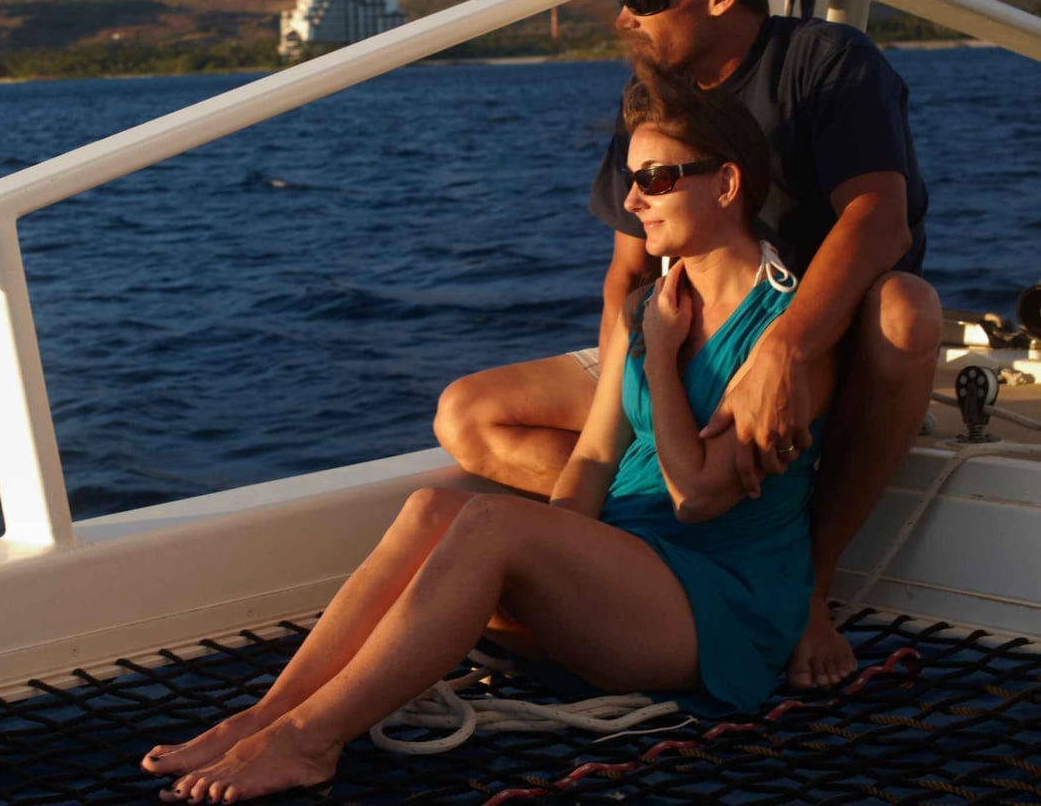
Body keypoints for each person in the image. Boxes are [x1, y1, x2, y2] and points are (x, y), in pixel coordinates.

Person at [141, 76, 839, 805]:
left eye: (656, 179)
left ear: (726, 184)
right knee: (430, 509)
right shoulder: (651, 306)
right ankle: (267, 715)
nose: (632, 201)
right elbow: (595, 456)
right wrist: (560, 562)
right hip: (630, 568)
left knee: (490, 523)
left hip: (717, 608)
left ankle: (309, 741)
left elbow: (696, 496)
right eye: (630, 179)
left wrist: (660, 360)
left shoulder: (788, 340)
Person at [433, 0, 941, 689]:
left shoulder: (825, 63)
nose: (623, 19)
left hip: (811, 341)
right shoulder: (655, 100)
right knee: (467, 414)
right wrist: (631, 392)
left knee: (907, 311)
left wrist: (783, 349)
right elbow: (629, 272)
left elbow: (881, 220)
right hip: (689, 342)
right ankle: (643, 547)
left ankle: (808, 583)